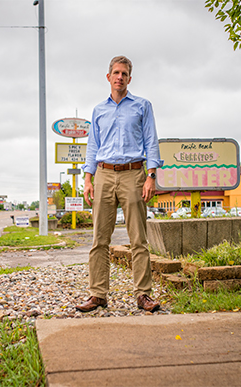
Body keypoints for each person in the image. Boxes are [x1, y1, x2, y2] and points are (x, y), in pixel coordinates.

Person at [76, 55, 163, 313]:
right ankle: (98, 294)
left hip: (133, 174)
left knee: (138, 239)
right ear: (108, 77)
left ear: (129, 78)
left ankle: (143, 295)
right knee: (99, 239)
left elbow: (151, 141)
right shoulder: (98, 110)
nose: (119, 77)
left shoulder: (142, 106)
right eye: (115, 73)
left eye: (124, 73)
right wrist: (88, 178)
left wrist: (151, 175)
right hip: (103, 174)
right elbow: (93, 146)